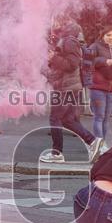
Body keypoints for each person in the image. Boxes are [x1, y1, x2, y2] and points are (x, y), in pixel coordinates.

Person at [40, 20, 99, 163]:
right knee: (67, 120)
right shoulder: (64, 40)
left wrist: (54, 57)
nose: (53, 24)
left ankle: (56, 153)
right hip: (67, 87)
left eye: (57, 21)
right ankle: (93, 142)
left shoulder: (69, 41)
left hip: (65, 88)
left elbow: (72, 65)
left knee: (55, 118)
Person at [86, 26, 112, 152]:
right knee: (99, 116)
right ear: (102, 36)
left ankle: (102, 144)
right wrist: (103, 61)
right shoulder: (95, 46)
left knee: (107, 118)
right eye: (108, 35)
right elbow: (87, 61)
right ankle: (98, 144)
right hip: (98, 87)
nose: (111, 38)